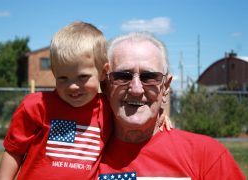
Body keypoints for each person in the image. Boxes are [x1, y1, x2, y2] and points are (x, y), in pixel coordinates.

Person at [0, 22, 171, 180]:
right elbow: (14, 151)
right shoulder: (36, 105)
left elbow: (135, 108)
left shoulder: (108, 108)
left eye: (83, 77)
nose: (72, 86)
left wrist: (159, 115)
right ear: (53, 72)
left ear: (103, 72)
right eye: (63, 78)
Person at [97, 32, 245, 179]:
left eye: (149, 77)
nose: (136, 89)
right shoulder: (81, 156)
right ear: (105, 86)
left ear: (166, 88)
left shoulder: (207, 156)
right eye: (123, 76)